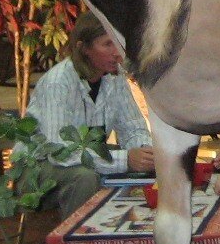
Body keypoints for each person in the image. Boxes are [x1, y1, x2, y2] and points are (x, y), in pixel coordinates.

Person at [25, 11, 158, 216]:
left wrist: (144, 152)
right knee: (85, 177)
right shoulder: (58, 83)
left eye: (118, 42)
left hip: (85, 156)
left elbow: (133, 127)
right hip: (37, 167)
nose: (118, 52)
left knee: (156, 161)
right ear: (83, 48)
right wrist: (126, 160)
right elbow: (60, 152)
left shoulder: (115, 77)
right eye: (107, 44)